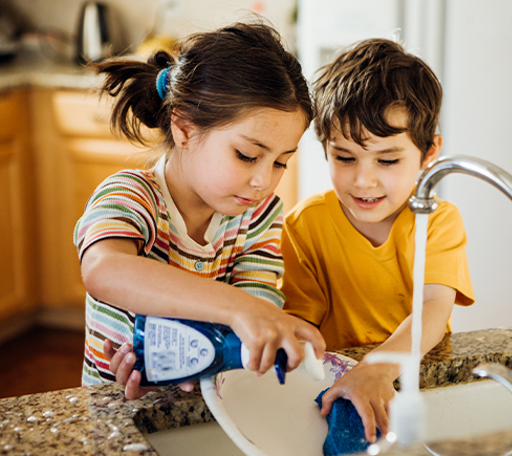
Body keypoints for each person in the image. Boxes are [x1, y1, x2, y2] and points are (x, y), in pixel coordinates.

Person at [74, 21, 325, 400]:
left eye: (280, 163)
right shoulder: (131, 196)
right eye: (248, 155)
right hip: (116, 410)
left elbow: (250, 329)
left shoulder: (258, 216)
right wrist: (239, 309)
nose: (264, 181)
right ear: (184, 128)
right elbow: (104, 269)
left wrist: (225, 345)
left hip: (205, 407)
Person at [279, 39, 475, 442]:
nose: (363, 180)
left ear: (429, 152)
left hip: (415, 383)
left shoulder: (437, 223)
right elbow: (301, 322)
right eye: (345, 157)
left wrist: (379, 367)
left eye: (387, 160)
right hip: (341, 393)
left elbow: (434, 306)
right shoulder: (305, 224)